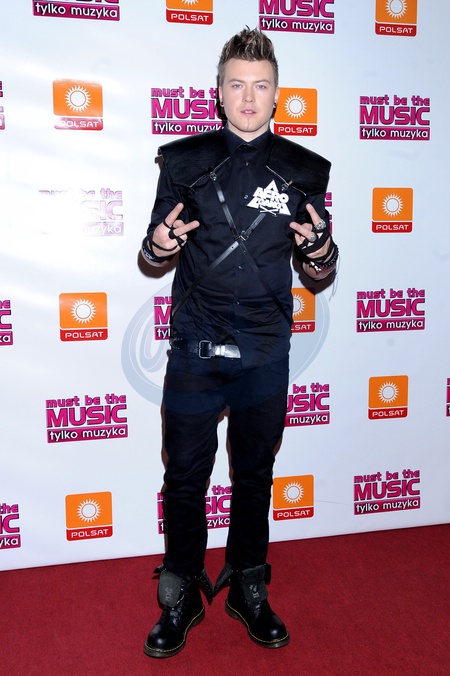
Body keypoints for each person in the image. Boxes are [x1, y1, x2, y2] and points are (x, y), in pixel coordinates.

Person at [141, 27, 338, 659]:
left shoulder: (303, 171)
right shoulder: (183, 162)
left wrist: (321, 251)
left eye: (261, 86)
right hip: (196, 349)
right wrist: (159, 245)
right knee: (185, 477)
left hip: (265, 351)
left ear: (277, 95)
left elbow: (319, 264)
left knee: (255, 475)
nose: (249, 98)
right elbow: (154, 248)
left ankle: (248, 586)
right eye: (237, 85)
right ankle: (181, 594)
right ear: (219, 92)